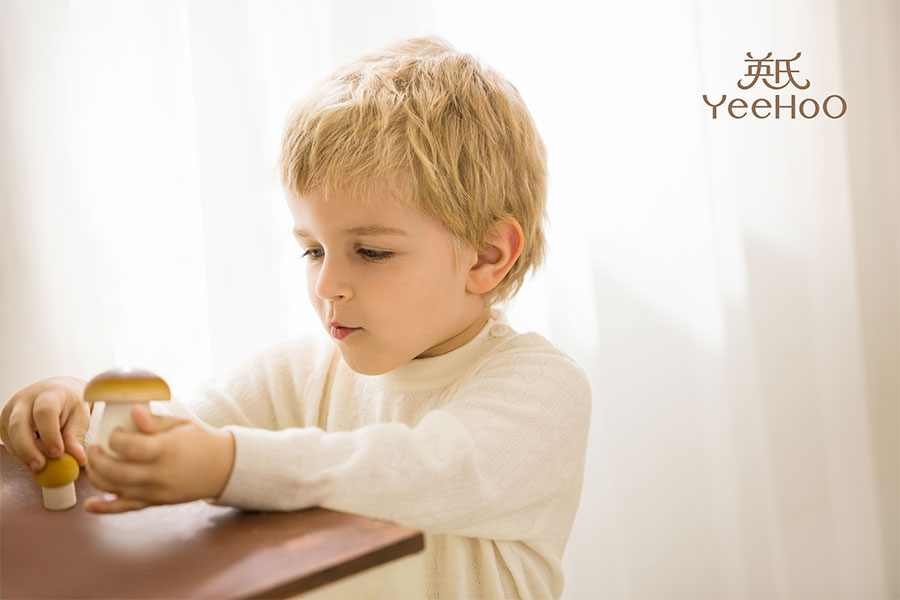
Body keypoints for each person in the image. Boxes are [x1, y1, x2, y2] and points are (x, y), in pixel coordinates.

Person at [0, 37, 591, 599]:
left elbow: (421, 471)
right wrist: (78, 415)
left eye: (371, 252)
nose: (327, 285)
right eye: (312, 250)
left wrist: (228, 464)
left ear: (486, 256)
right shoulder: (301, 372)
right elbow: (175, 439)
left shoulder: (542, 387)